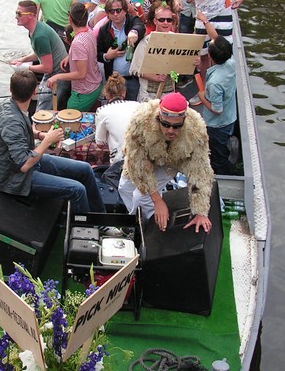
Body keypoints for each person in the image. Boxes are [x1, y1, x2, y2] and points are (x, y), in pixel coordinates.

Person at [0, 69, 105, 214]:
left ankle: (99, 216)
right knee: (78, 190)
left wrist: (39, 135)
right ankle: (84, 229)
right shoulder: (10, 121)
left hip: (31, 160)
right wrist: (48, 141)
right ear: (34, 92)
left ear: (10, 89)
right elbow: (24, 165)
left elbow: (20, 131)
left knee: (85, 169)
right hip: (16, 179)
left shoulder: (7, 104)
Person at [119, 92, 215, 233]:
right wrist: (157, 200)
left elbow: (200, 170)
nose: (170, 130)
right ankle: (147, 215)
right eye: (165, 124)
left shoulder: (196, 130)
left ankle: (144, 228)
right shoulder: (140, 121)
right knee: (124, 188)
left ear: (184, 120)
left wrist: (201, 212)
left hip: (174, 160)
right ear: (158, 117)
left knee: (141, 197)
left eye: (176, 126)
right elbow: (136, 162)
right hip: (144, 158)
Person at [195, 13, 237, 175]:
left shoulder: (214, 83)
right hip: (230, 118)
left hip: (217, 125)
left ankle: (221, 175)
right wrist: (205, 21)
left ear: (210, 56)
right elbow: (217, 38)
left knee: (217, 156)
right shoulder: (230, 63)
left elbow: (217, 109)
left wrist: (201, 97)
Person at [9, 1, 69, 111]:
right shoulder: (35, 30)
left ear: (31, 15)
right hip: (50, 74)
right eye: (16, 13)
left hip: (57, 77)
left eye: (19, 14)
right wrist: (22, 60)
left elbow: (47, 67)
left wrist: (26, 67)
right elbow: (40, 54)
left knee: (41, 113)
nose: (16, 17)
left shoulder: (40, 36)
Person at [46, 2, 104, 111]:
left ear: (70, 19)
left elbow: (81, 74)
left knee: (69, 119)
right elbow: (85, 50)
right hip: (95, 83)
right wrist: (70, 56)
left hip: (85, 91)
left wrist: (57, 77)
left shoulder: (77, 43)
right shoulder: (89, 32)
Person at [96, 0, 146, 101]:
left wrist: (134, 32)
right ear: (107, 14)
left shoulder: (132, 21)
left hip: (132, 78)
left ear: (125, 11)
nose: (115, 14)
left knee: (132, 110)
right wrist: (107, 56)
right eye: (111, 11)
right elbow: (97, 53)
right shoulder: (104, 30)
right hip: (113, 80)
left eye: (118, 10)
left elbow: (140, 27)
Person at [130, 1, 178, 102]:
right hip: (149, 96)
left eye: (169, 20)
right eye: (161, 20)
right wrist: (155, 77)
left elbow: (180, 66)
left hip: (169, 94)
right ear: (155, 21)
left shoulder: (176, 40)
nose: (165, 23)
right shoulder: (146, 42)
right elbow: (135, 69)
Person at [95, 73, 142, 166]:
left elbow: (100, 143)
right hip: (140, 157)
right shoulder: (138, 105)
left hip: (120, 161)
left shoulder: (102, 111)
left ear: (106, 95)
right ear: (123, 93)